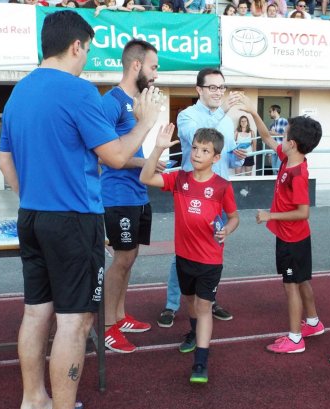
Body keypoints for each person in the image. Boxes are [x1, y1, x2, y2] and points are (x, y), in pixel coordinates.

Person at [0, 10, 160, 409]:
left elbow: (5, 160)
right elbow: (116, 157)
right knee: (75, 321)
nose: (87, 57)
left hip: (32, 215)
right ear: (76, 46)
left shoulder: (19, 93)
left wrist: (32, 196)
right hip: (72, 221)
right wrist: (145, 121)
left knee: (36, 312)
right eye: (87, 49)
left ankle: (35, 401)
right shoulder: (79, 92)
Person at [141, 127, 240, 383]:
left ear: (216, 158)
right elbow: (146, 177)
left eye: (205, 150)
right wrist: (159, 147)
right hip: (184, 258)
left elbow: (234, 217)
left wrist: (226, 231)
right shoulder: (179, 179)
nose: (197, 153)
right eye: (195, 147)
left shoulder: (221, 187)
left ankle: (200, 362)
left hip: (210, 260)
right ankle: (194, 333)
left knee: (204, 306)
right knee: (191, 303)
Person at [156, 68, 246, 330]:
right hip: (191, 192)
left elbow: (224, 157)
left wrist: (236, 158)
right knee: (182, 255)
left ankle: (209, 298)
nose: (219, 92)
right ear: (199, 90)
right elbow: (200, 138)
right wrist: (223, 113)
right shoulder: (187, 116)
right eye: (213, 87)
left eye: (221, 87)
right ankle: (172, 304)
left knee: (215, 249)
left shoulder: (227, 120)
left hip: (218, 193)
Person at [243, 98, 326, 354]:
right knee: (302, 282)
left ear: (292, 143)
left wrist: (271, 216)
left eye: (285, 133)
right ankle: (313, 322)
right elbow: (267, 137)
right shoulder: (287, 156)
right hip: (292, 237)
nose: (281, 135)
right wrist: (253, 112)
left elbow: (303, 213)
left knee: (291, 286)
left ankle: (295, 338)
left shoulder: (298, 173)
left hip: (293, 239)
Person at [100, 39, 161, 354]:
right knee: (122, 259)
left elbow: (131, 149)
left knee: (130, 257)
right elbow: (106, 156)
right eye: (153, 67)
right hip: (117, 195)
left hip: (137, 193)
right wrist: (147, 161)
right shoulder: (111, 102)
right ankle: (107, 325)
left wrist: (148, 162)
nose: (156, 74)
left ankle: (120, 316)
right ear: (136, 65)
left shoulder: (137, 102)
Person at [268, 104, 288, 175]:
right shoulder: (272, 124)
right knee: (274, 171)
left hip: (282, 149)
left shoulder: (284, 121)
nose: (269, 113)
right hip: (273, 150)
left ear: (275, 111)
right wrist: (269, 154)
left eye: (270, 111)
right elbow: (270, 139)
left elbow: (287, 136)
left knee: (278, 169)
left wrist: (274, 133)